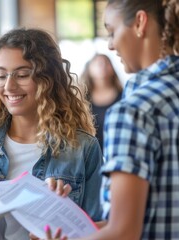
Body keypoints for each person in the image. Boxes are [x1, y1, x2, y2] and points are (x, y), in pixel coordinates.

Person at [32, 0, 179, 239]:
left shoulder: (133, 111)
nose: (110, 45)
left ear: (140, 23)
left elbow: (123, 231)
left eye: (112, 31)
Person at [0, 28, 104, 240]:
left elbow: (97, 228)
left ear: (48, 79)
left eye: (22, 75)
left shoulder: (82, 148)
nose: (9, 86)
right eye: (2, 75)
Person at [80, 54, 123, 153]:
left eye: (106, 62)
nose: (102, 65)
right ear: (89, 69)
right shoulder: (81, 99)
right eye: (97, 63)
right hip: (90, 155)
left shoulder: (124, 96)